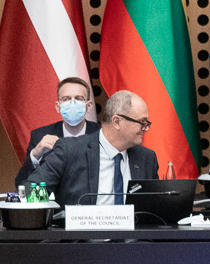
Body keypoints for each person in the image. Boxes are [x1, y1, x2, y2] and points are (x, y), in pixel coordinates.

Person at [30, 89, 159, 204]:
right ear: (117, 122)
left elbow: (155, 206)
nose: (146, 129)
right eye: (142, 122)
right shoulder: (70, 150)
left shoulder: (146, 158)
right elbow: (32, 191)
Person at [13, 75, 96, 187]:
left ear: (88, 106)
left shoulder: (101, 134)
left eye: (78, 98)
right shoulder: (40, 136)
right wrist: (35, 155)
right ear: (58, 107)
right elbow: (21, 185)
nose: (72, 103)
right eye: (66, 99)